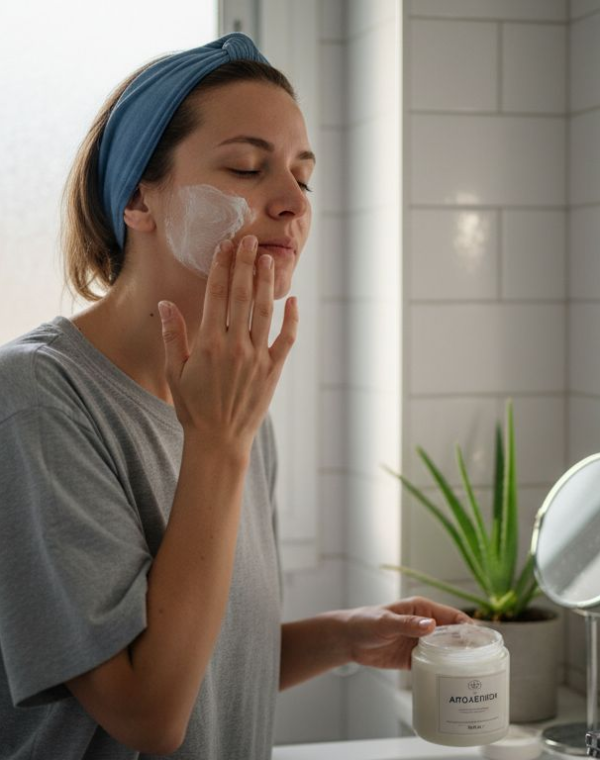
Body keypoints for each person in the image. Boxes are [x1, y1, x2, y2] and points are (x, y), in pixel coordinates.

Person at [0, 33, 469, 759]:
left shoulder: (232, 400)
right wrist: (218, 442)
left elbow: (205, 662)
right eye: (248, 168)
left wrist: (346, 636)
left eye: (304, 177)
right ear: (138, 199)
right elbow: (149, 715)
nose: (293, 203)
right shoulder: (36, 398)